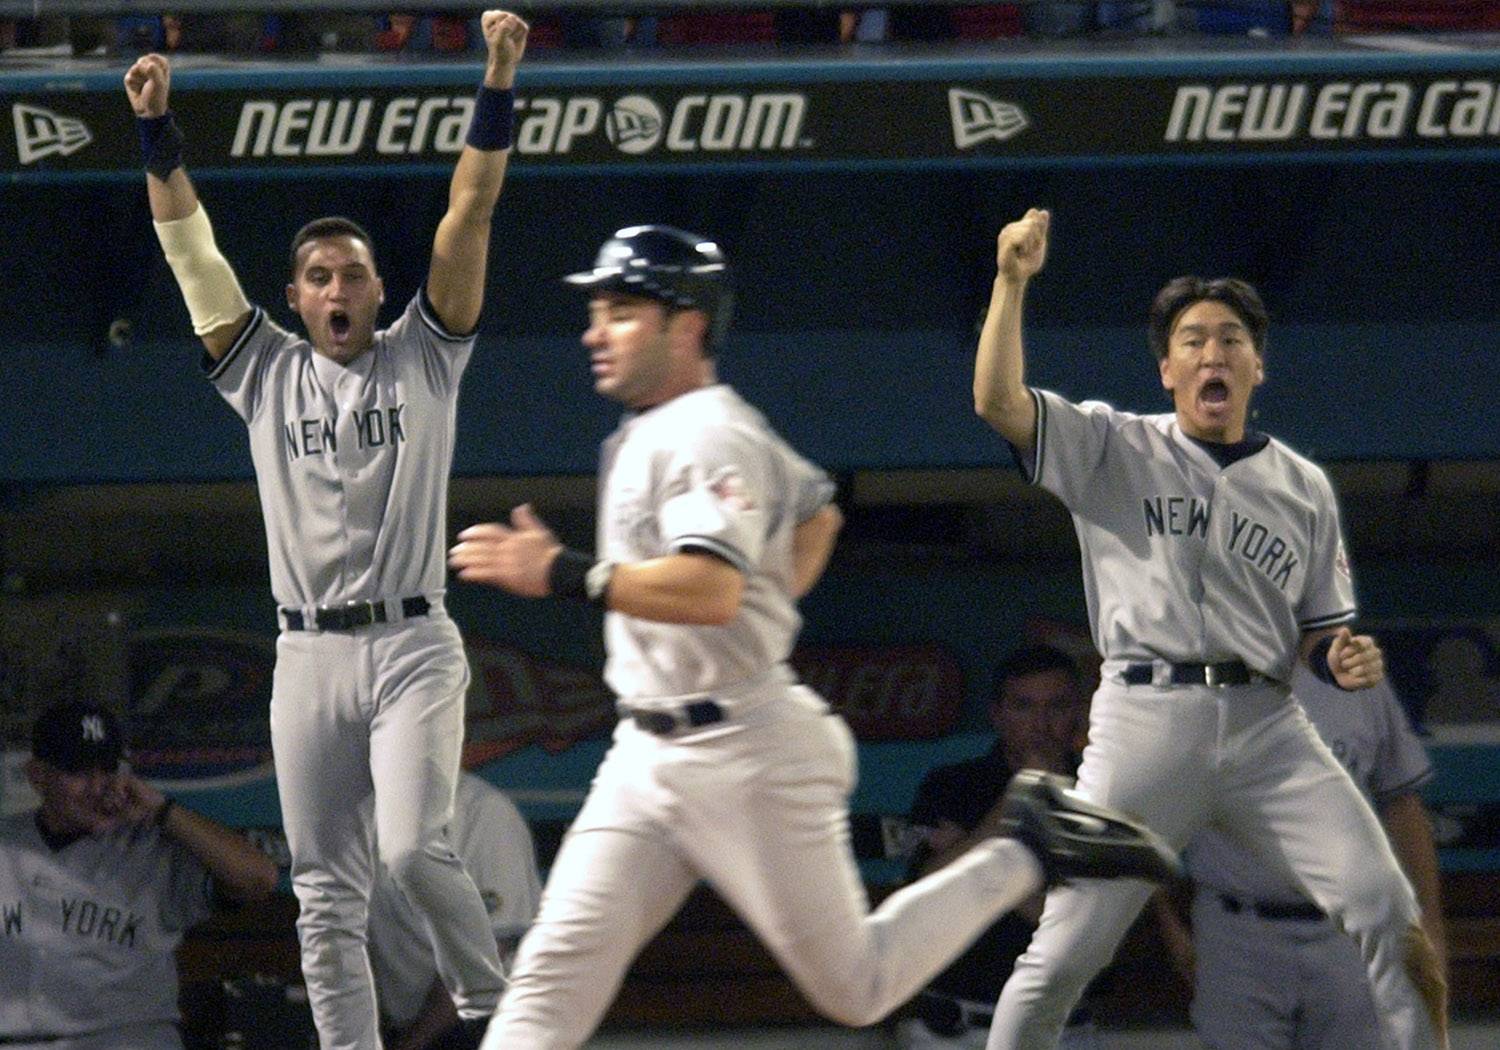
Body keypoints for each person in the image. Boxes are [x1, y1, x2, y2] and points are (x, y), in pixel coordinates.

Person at [447, 224, 1181, 1050]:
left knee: (859, 986)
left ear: (685, 323)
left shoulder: (704, 434)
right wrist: (769, 594)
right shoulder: (656, 431)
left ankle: (1027, 844)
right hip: (649, 754)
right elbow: (816, 512)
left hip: (744, 749)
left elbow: (712, 587)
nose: (594, 329)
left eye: (619, 310)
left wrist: (561, 570)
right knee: (552, 979)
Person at [122, 14, 528, 1049]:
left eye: (353, 275)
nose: (338, 290)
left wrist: (497, 79)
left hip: (410, 643)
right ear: (296, 298)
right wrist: (157, 128)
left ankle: (493, 1012)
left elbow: (468, 215)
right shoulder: (263, 370)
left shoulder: (423, 359)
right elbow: (189, 247)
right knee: (325, 900)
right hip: (304, 649)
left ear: (379, 290)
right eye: (319, 279)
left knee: (409, 850)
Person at [971, 207, 1449, 1050]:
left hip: (1268, 725)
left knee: (1387, 910)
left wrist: (1344, 657)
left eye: (1230, 339)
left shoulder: (1301, 486)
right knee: (1065, 950)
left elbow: (1318, 639)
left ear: (1258, 365)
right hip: (1144, 720)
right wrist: (1011, 282)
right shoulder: (1115, 445)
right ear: (1166, 370)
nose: (1212, 353)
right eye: (1192, 340)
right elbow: (997, 401)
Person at [1154, 665, 1446, 1050]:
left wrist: (1430, 925)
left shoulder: (1353, 672)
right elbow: (1147, 807)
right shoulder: (1191, 673)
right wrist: (1170, 924)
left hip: (1347, 933)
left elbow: (1403, 804)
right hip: (1236, 932)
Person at [0, 701, 278, 1050]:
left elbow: (259, 878)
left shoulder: (151, 847)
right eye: (79, 772)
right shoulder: (7, 841)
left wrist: (162, 809)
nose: (98, 786)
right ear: (38, 776)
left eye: (107, 770)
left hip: (127, 1039)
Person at [899, 644, 1105, 1050]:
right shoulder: (952, 786)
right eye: (1024, 706)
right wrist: (1016, 801)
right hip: (953, 1027)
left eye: (1057, 707)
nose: (1041, 724)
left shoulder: (1103, 792)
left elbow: (1070, 922)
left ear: (1078, 714)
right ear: (998, 714)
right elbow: (928, 888)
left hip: (1063, 1029)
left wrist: (971, 851)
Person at [367, 773, 542, 1050]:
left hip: (492, 1026)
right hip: (404, 1027)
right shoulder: (362, 813)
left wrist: (413, 1042)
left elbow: (482, 955)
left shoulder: (483, 811)